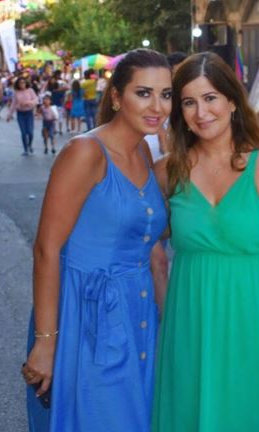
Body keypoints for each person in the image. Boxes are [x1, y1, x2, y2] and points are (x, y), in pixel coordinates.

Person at [21, 49, 172, 432]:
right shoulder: (86, 152)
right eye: (144, 93)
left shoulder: (143, 150)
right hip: (85, 313)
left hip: (135, 310)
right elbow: (47, 250)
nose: (157, 105)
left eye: (166, 94)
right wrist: (45, 341)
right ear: (117, 97)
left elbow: (149, 238)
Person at [152, 52, 259, 432]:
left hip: (252, 316)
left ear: (233, 101)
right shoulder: (169, 170)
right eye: (189, 102)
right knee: (188, 410)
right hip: (188, 318)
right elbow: (140, 237)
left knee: (248, 413)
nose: (201, 112)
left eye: (210, 98)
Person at [7, 76, 39, 156]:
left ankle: (30, 145)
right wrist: (9, 115)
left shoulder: (30, 90)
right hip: (20, 113)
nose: (22, 84)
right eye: (20, 83)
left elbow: (36, 100)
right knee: (23, 132)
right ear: (18, 84)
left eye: (23, 82)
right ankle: (25, 149)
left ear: (26, 83)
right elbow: (13, 104)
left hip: (29, 113)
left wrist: (28, 102)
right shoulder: (16, 92)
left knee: (30, 132)